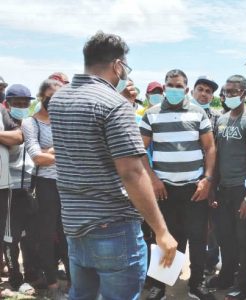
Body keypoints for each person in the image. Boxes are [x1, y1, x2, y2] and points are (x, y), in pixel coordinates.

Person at [49, 31, 177, 300]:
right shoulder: (114, 104)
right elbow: (132, 173)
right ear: (118, 65)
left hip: (74, 224)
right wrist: (162, 231)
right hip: (113, 227)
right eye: (125, 67)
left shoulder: (58, 100)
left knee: (82, 295)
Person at [140, 69, 216, 300]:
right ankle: (160, 286)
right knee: (164, 237)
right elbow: (140, 150)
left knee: (198, 238)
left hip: (195, 188)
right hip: (165, 189)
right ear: (164, 88)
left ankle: (196, 284)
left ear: (186, 89)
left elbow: (210, 148)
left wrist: (208, 179)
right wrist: (153, 179)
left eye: (178, 86)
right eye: (169, 85)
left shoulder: (198, 113)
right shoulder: (151, 114)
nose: (174, 90)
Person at [206, 75, 246, 300]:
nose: (229, 95)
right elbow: (217, 156)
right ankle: (227, 275)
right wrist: (212, 188)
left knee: (244, 239)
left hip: (242, 189)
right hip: (223, 189)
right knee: (225, 236)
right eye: (226, 91)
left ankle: (244, 284)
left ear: (244, 93)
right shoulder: (221, 120)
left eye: (234, 91)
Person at [22, 78, 67, 299]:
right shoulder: (30, 123)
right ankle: (52, 284)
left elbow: (76, 149)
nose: (54, 102)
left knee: (70, 235)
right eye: (50, 98)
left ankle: (76, 282)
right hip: (45, 186)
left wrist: (51, 150)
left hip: (68, 185)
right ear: (41, 97)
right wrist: (59, 150)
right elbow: (37, 157)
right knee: (47, 236)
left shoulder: (63, 121)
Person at [2, 84, 39, 294]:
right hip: (10, 189)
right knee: (11, 237)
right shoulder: (6, 126)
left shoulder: (30, 124)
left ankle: (31, 273)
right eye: (17, 103)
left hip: (29, 189)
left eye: (26, 103)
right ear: (8, 104)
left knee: (29, 236)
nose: (22, 107)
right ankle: (15, 279)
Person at [189, 75, 222, 275]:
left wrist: (212, 182)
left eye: (208, 91)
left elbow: (217, 151)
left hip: (209, 179)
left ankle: (209, 263)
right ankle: (171, 269)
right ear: (192, 91)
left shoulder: (218, 118)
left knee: (211, 226)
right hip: (185, 179)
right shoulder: (182, 113)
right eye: (200, 89)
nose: (204, 94)